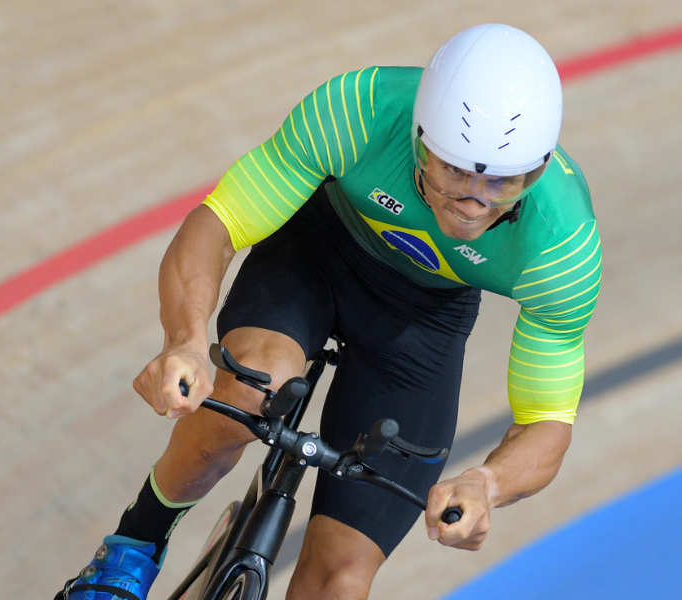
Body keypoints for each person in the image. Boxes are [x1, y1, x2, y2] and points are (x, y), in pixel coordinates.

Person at [60, 23, 601, 600]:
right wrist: (186, 339)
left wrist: (487, 483)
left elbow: (547, 421)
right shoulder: (360, 110)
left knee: (342, 580)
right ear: (419, 139)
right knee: (247, 393)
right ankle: (131, 547)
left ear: (537, 172)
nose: (473, 197)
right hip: (316, 255)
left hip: (422, 321)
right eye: (453, 169)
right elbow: (220, 223)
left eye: (501, 181)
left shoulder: (561, 244)